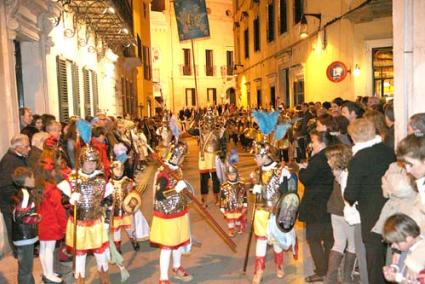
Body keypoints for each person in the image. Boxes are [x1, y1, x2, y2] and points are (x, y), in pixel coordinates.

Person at [344, 118, 396, 284]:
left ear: (354, 137)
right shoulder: (388, 151)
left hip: (371, 214)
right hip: (393, 208)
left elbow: (350, 194)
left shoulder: (359, 158)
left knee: (374, 258)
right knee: (393, 253)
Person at [57, 146, 112, 283]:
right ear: (82, 162)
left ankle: (104, 276)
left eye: (93, 162)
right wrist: (70, 200)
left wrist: (106, 222)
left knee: (100, 252)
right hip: (79, 223)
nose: (91, 165)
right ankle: (79, 279)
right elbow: (63, 201)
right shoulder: (72, 180)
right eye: (88, 162)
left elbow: (108, 202)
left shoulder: (101, 180)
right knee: (80, 254)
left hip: (96, 222)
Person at [250, 142, 296, 284]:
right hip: (260, 211)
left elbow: (290, 193)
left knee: (276, 240)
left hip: (277, 212)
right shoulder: (256, 172)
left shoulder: (281, 171)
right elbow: (255, 191)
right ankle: (259, 270)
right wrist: (254, 189)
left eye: (257, 155)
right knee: (261, 241)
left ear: (266, 155)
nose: (255, 158)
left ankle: (279, 264)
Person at [150, 141, 193, 284]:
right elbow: (159, 195)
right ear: (176, 157)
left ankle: (176, 266)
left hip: (179, 212)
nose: (183, 160)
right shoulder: (164, 173)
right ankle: (163, 277)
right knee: (167, 247)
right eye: (182, 157)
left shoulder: (176, 169)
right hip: (167, 215)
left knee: (179, 242)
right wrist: (176, 190)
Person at [298, 131, 336, 283]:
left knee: (313, 238)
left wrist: (302, 169)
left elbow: (307, 178)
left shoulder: (318, 159)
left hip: (315, 204)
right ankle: (329, 269)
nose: (311, 144)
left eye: (313, 141)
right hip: (330, 202)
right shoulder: (332, 155)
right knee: (329, 239)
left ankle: (321, 271)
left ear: (321, 143)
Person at [324, 144, 357, 284]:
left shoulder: (335, 173)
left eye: (330, 158)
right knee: (352, 246)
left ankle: (330, 279)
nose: (327, 161)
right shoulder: (348, 173)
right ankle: (346, 278)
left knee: (338, 244)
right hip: (346, 213)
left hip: (334, 209)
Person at [34, 150, 67, 284]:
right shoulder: (52, 190)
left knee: (43, 248)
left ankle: (47, 271)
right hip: (52, 223)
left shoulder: (39, 186)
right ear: (50, 172)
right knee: (49, 249)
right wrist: (64, 226)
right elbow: (58, 209)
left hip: (41, 222)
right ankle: (49, 275)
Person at [0, 134, 30, 256]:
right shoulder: (9, 161)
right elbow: (5, 186)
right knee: (14, 228)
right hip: (11, 204)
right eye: (26, 146)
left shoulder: (19, 157)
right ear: (18, 148)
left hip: (18, 202)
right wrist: (19, 200)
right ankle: (18, 252)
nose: (29, 149)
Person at [11, 167, 40, 284]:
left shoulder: (19, 192)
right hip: (25, 237)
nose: (34, 179)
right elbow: (20, 216)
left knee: (26, 267)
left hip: (21, 236)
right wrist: (36, 218)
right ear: (27, 179)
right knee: (26, 269)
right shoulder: (25, 194)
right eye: (32, 176)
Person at [108, 161, 144, 253]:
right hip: (115, 211)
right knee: (116, 230)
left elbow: (134, 196)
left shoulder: (128, 181)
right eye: (116, 169)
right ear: (111, 170)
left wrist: (133, 202)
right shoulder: (109, 184)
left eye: (121, 169)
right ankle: (117, 247)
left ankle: (133, 240)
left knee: (130, 227)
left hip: (126, 211)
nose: (119, 171)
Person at [382, 214, 425, 284]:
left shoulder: (420, 256)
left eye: (395, 242)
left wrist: (397, 278)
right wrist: (394, 269)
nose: (392, 246)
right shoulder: (406, 249)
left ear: (408, 238)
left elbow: (416, 281)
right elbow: (402, 269)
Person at [219, 163, 247, 237]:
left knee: (237, 218)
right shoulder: (224, 186)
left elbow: (244, 195)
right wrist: (221, 206)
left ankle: (238, 227)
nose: (231, 176)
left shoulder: (241, 184)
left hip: (239, 206)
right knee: (230, 220)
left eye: (233, 174)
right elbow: (222, 197)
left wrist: (245, 203)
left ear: (237, 174)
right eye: (229, 174)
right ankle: (231, 230)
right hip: (229, 207)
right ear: (227, 175)